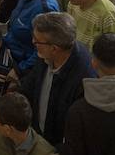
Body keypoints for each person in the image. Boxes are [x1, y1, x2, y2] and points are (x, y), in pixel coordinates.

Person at [19, 12, 95, 144]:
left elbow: (76, 129)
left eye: (37, 40)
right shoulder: (45, 55)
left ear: (54, 48)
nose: (33, 42)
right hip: (37, 137)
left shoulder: (84, 78)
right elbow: (29, 87)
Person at [5, 0, 61, 73]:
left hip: (22, 64)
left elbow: (43, 50)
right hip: (10, 51)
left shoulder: (44, 9)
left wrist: (20, 70)